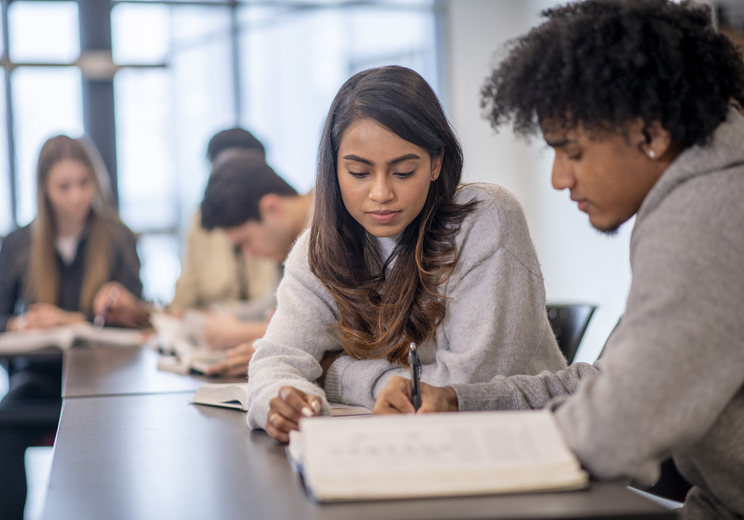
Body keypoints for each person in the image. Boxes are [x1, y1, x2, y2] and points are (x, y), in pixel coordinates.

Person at [373, 2, 744, 519]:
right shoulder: (697, 194)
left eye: (572, 151)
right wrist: (459, 401)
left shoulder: (707, 216)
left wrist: (466, 452)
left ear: (653, 133)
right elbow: (604, 382)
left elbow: (621, 422)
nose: (559, 178)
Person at [245, 65, 566, 443]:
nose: (380, 193)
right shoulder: (318, 247)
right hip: (406, 449)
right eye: (359, 173)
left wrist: (333, 372)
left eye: (402, 172)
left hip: (517, 447)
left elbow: (467, 390)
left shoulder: (486, 217)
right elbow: (275, 361)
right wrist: (281, 400)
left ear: (435, 163)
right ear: (334, 168)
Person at [0, 135, 149, 520]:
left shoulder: (118, 237)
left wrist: (116, 309)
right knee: (3, 427)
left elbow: (142, 319)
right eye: (64, 187)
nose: (76, 197)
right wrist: (23, 323)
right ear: (43, 189)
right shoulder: (18, 243)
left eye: (84, 183)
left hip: (108, 383)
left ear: (96, 181)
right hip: (39, 379)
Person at [197, 155, 314, 376]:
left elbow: (342, 330)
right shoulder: (288, 244)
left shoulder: (331, 229)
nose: (249, 255)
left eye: (245, 242)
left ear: (271, 208)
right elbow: (274, 309)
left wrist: (242, 333)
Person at [169, 127, 279, 313]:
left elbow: (276, 306)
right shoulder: (201, 221)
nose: (237, 182)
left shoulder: (276, 218)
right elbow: (183, 300)